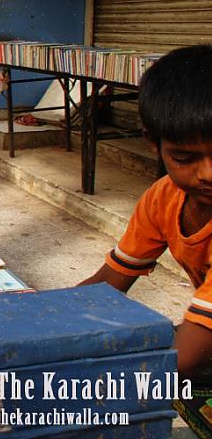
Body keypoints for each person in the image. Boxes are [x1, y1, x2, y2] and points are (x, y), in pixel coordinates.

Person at [80, 45, 212, 378]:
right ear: (153, 144)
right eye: (184, 158)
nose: (208, 173)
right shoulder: (163, 198)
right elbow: (109, 283)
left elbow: (187, 358)